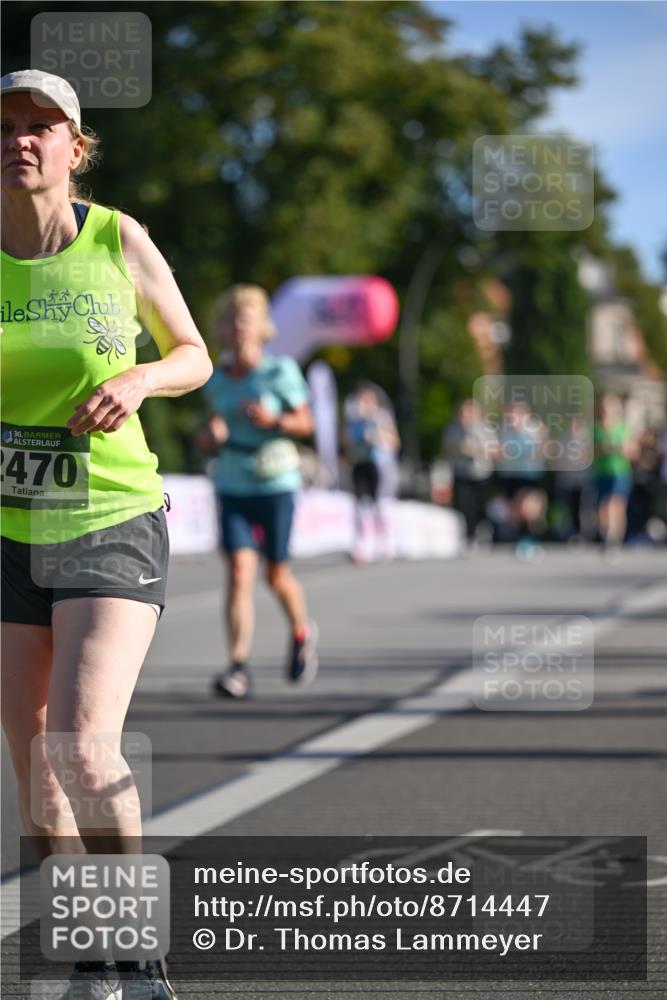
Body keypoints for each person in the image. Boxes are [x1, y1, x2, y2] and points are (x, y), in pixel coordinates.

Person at [1, 70, 212, 999]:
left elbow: (194, 354)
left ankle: (138, 944)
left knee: (82, 749)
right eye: (6, 125)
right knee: (32, 767)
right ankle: (94, 952)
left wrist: (138, 382)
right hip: (9, 529)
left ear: (75, 146)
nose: (21, 140)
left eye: (42, 126)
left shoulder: (116, 237)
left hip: (108, 517)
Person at [200, 284, 318, 699]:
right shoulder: (215, 379)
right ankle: (238, 667)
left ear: (261, 326)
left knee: (276, 574)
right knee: (237, 573)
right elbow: (206, 433)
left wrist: (273, 420)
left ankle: (302, 630)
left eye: (245, 319)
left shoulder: (280, 371)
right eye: (231, 320)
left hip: (275, 482)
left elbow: (307, 425)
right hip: (233, 481)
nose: (238, 327)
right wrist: (209, 436)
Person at [343, 383, 400, 563]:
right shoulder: (353, 420)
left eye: (366, 400)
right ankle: (363, 545)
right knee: (361, 506)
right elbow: (345, 442)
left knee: (381, 504)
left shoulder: (381, 418)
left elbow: (395, 442)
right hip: (360, 464)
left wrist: (378, 437)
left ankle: (386, 543)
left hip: (379, 465)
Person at [442, 399, 495, 542]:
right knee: (464, 505)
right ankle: (467, 535)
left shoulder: (486, 429)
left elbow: (494, 450)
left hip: (481, 474)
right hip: (461, 473)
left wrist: (475, 449)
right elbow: (448, 448)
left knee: (481, 506)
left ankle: (482, 531)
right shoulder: (453, 430)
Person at [592, 393, 636, 551]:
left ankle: (614, 539)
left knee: (615, 504)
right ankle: (606, 534)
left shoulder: (623, 428)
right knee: (602, 508)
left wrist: (620, 448)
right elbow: (588, 452)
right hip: (601, 472)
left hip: (620, 473)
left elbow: (632, 452)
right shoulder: (595, 428)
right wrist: (601, 449)